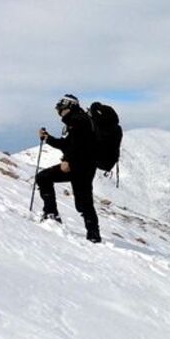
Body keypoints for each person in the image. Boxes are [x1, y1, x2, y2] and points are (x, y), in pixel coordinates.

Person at [37, 94, 101, 243]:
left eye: (61, 108)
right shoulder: (77, 120)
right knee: (84, 202)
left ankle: (52, 214)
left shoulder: (78, 121)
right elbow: (68, 144)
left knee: (45, 178)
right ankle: (93, 235)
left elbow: (79, 146)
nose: (59, 112)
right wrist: (48, 138)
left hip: (79, 166)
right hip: (83, 166)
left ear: (69, 106)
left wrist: (67, 160)